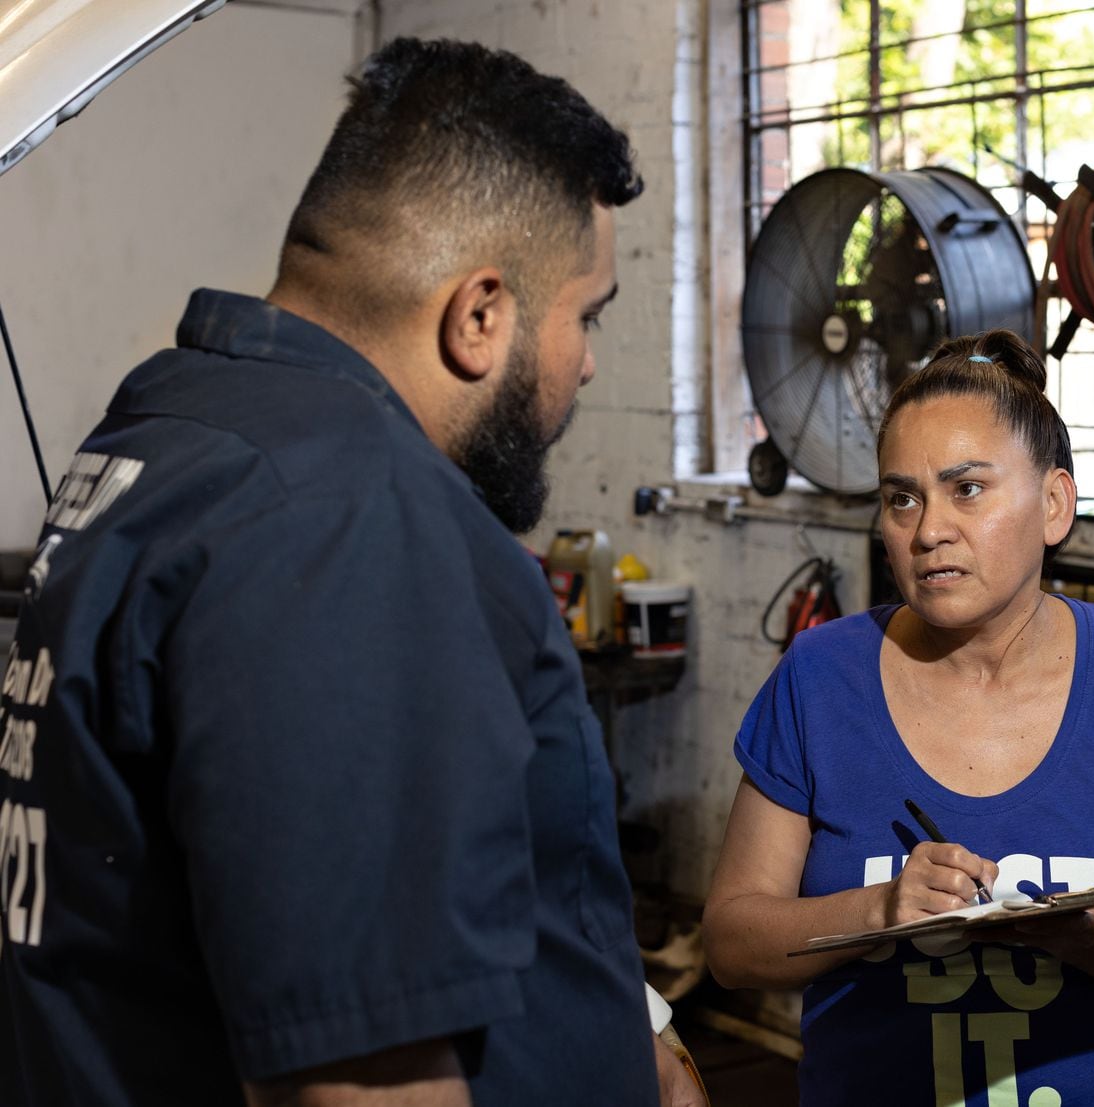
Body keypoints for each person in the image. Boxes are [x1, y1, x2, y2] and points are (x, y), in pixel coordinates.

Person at [0, 37, 703, 1107]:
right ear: (480, 316)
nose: (589, 362)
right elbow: (361, 1079)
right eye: (587, 316)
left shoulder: (184, 424)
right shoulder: (345, 517)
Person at [703, 329, 1094, 1105]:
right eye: (902, 497)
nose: (928, 528)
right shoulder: (819, 677)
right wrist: (880, 907)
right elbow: (733, 943)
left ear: (1054, 504)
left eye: (966, 488)